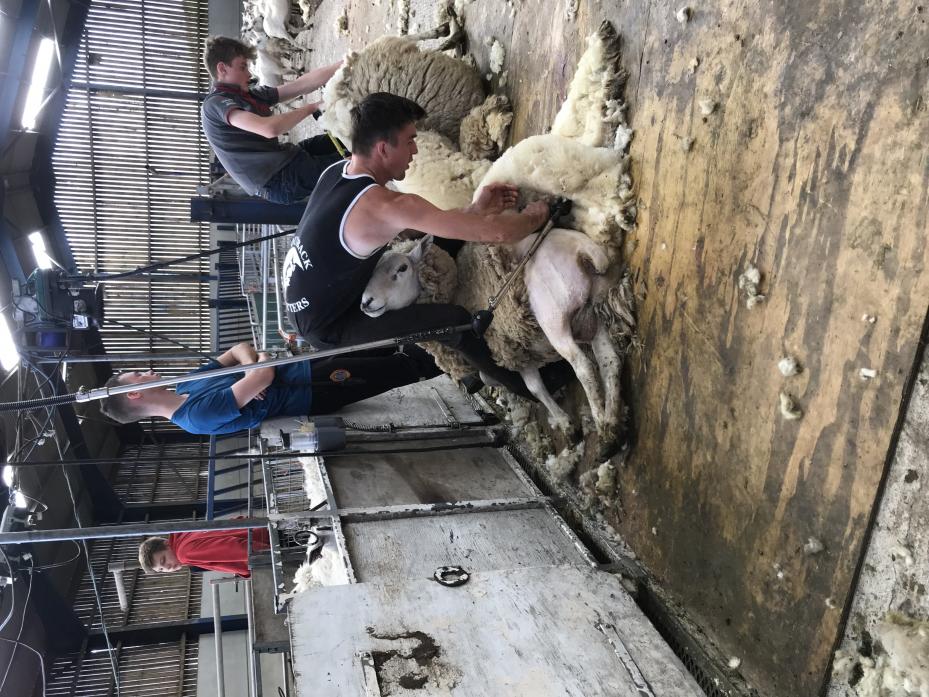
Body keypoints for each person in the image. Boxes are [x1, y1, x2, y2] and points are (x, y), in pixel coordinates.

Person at [282, 92, 550, 399]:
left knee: (435, 243)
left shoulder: (337, 172)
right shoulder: (384, 205)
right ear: (383, 148)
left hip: (309, 294)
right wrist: (536, 216)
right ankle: (522, 385)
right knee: (455, 322)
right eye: (409, 140)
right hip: (328, 324)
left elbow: (428, 224)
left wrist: (474, 211)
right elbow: (497, 234)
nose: (415, 149)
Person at [98, 341, 439, 435]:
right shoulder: (195, 416)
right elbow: (261, 377)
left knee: (381, 347)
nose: (145, 372)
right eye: (136, 376)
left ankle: (442, 343)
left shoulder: (187, 383)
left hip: (302, 365)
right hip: (312, 389)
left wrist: (255, 367)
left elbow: (237, 350)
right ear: (134, 394)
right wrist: (256, 371)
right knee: (397, 368)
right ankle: (457, 357)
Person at [201, 36, 345, 204]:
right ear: (222, 69)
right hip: (278, 180)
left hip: (286, 158)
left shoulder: (246, 95)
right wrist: (310, 108)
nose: (248, 73)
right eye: (242, 67)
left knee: (345, 136)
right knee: (357, 161)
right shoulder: (215, 104)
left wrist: (343, 65)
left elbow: (300, 85)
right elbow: (268, 129)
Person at [139, 528, 269, 578]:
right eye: (161, 569)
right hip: (260, 534)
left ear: (167, 544)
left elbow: (234, 548)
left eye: (163, 560)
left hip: (267, 544)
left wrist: (270, 555)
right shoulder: (184, 536)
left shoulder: (184, 553)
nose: (167, 567)